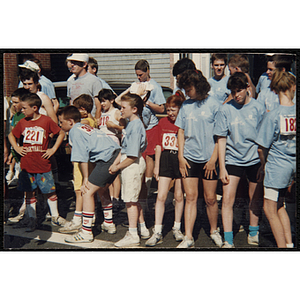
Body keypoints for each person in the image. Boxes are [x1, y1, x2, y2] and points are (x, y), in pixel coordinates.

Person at [214, 72, 265, 248]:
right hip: (232, 159)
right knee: (227, 199)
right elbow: (221, 139)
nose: (236, 95)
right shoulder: (225, 109)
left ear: (247, 88)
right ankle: (228, 239)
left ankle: (253, 232)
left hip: (254, 159)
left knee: (255, 198)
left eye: (240, 90)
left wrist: (263, 164)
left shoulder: (258, 108)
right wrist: (222, 167)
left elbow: (264, 139)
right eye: (233, 91)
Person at [58, 106, 121, 243]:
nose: (60, 125)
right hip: (116, 154)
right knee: (102, 189)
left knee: (87, 192)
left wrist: (86, 178)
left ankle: (86, 232)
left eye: (61, 122)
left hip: (107, 158)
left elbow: (82, 157)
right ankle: (109, 223)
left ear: (70, 121)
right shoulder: (83, 127)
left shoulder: (75, 131)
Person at [175, 69, 223, 248]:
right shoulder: (186, 105)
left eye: (189, 88)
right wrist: (180, 157)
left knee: (210, 198)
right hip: (189, 158)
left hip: (209, 159)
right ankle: (188, 237)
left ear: (199, 86)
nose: (186, 92)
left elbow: (220, 136)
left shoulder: (214, 104)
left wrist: (213, 159)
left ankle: (213, 230)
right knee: (191, 197)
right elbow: (180, 131)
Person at [8, 93, 66, 232]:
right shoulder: (22, 122)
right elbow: (11, 134)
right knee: (29, 193)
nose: (21, 111)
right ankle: (31, 219)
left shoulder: (46, 121)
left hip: (43, 165)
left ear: (35, 108)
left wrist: (53, 149)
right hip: (27, 166)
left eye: (24, 108)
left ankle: (55, 216)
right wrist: (16, 147)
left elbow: (61, 133)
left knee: (50, 191)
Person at [255, 69, 296, 248]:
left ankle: (281, 248)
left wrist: (263, 166)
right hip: (292, 165)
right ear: (292, 87)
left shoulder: (273, 115)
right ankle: (288, 243)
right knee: (280, 205)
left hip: (277, 167)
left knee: (269, 208)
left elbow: (261, 148)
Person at [116, 60, 166, 195]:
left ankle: (148, 186)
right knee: (139, 155)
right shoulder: (136, 85)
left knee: (149, 156)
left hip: (150, 125)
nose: (139, 77)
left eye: (141, 75)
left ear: (148, 71)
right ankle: (141, 185)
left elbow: (161, 108)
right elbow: (119, 100)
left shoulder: (154, 86)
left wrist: (147, 102)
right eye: (137, 75)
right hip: (138, 123)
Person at [109, 93, 150, 247]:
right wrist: (116, 162)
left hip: (131, 165)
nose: (120, 110)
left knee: (130, 201)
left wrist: (117, 166)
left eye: (123, 108)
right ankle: (143, 228)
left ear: (134, 109)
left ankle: (133, 234)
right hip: (129, 163)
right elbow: (125, 149)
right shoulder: (131, 123)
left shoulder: (135, 125)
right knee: (133, 198)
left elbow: (132, 156)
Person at [145, 90, 185, 247]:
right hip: (166, 160)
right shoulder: (162, 123)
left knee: (179, 196)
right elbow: (158, 146)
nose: (170, 113)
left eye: (173, 110)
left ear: (180, 109)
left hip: (180, 160)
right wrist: (156, 166)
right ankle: (158, 231)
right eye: (168, 110)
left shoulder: (184, 123)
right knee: (161, 196)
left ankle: (177, 227)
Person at [58, 94, 98, 234]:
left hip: (81, 163)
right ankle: (89, 215)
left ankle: (77, 218)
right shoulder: (91, 120)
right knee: (85, 190)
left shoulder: (84, 123)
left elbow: (85, 124)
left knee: (79, 190)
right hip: (87, 161)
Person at [98, 89, 126, 213]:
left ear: (112, 100)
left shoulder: (116, 112)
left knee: (114, 173)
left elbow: (125, 128)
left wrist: (114, 126)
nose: (102, 104)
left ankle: (116, 198)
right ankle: (110, 198)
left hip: (113, 144)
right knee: (107, 172)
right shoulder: (102, 113)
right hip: (102, 145)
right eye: (101, 102)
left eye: (104, 101)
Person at [66, 53, 102, 120]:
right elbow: (71, 101)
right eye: (72, 62)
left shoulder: (94, 80)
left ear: (84, 64)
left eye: (76, 63)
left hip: (88, 121)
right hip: (75, 121)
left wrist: (96, 121)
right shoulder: (70, 81)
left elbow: (98, 104)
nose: (72, 65)